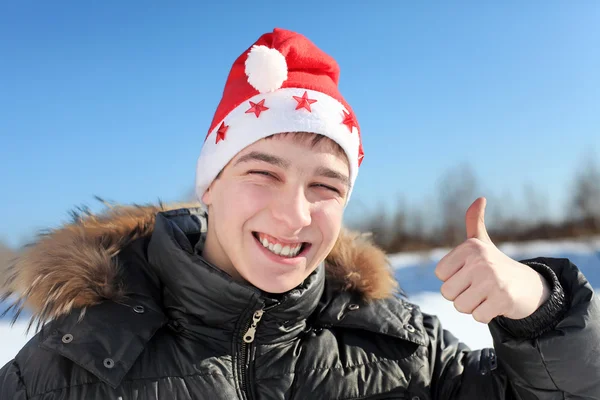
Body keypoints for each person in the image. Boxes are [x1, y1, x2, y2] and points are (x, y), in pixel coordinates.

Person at [1, 28, 598, 400]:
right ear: (210, 185)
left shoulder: (399, 348)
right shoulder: (67, 365)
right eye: (263, 173)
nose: (294, 215)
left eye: (325, 186)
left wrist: (540, 309)